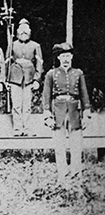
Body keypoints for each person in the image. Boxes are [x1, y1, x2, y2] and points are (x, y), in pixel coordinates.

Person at [42, 42, 92, 184]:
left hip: (75, 111)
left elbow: (84, 95)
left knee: (76, 144)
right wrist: (47, 115)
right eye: (62, 56)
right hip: (58, 112)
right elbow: (46, 96)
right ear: (58, 57)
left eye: (68, 55)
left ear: (71, 56)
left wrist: (87, 114)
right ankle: (62, 175)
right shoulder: (51, 74)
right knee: (59, 145)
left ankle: (76, 174)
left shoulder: (78, 73)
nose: (65, 59)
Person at [7, 18, 43, 136]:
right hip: (15, 78)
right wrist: (6, 80)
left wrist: (37, 79)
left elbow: (39, 63)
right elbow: (6, 63)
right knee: (16, 104)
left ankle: (26, 128)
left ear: (30, 31)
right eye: (21, 30)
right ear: (17, 31)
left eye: (26, 30)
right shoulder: (12, 45)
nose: (23, 33)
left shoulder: (35, 45)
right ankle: (17, 129)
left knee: (27, 104)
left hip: (29, 78)